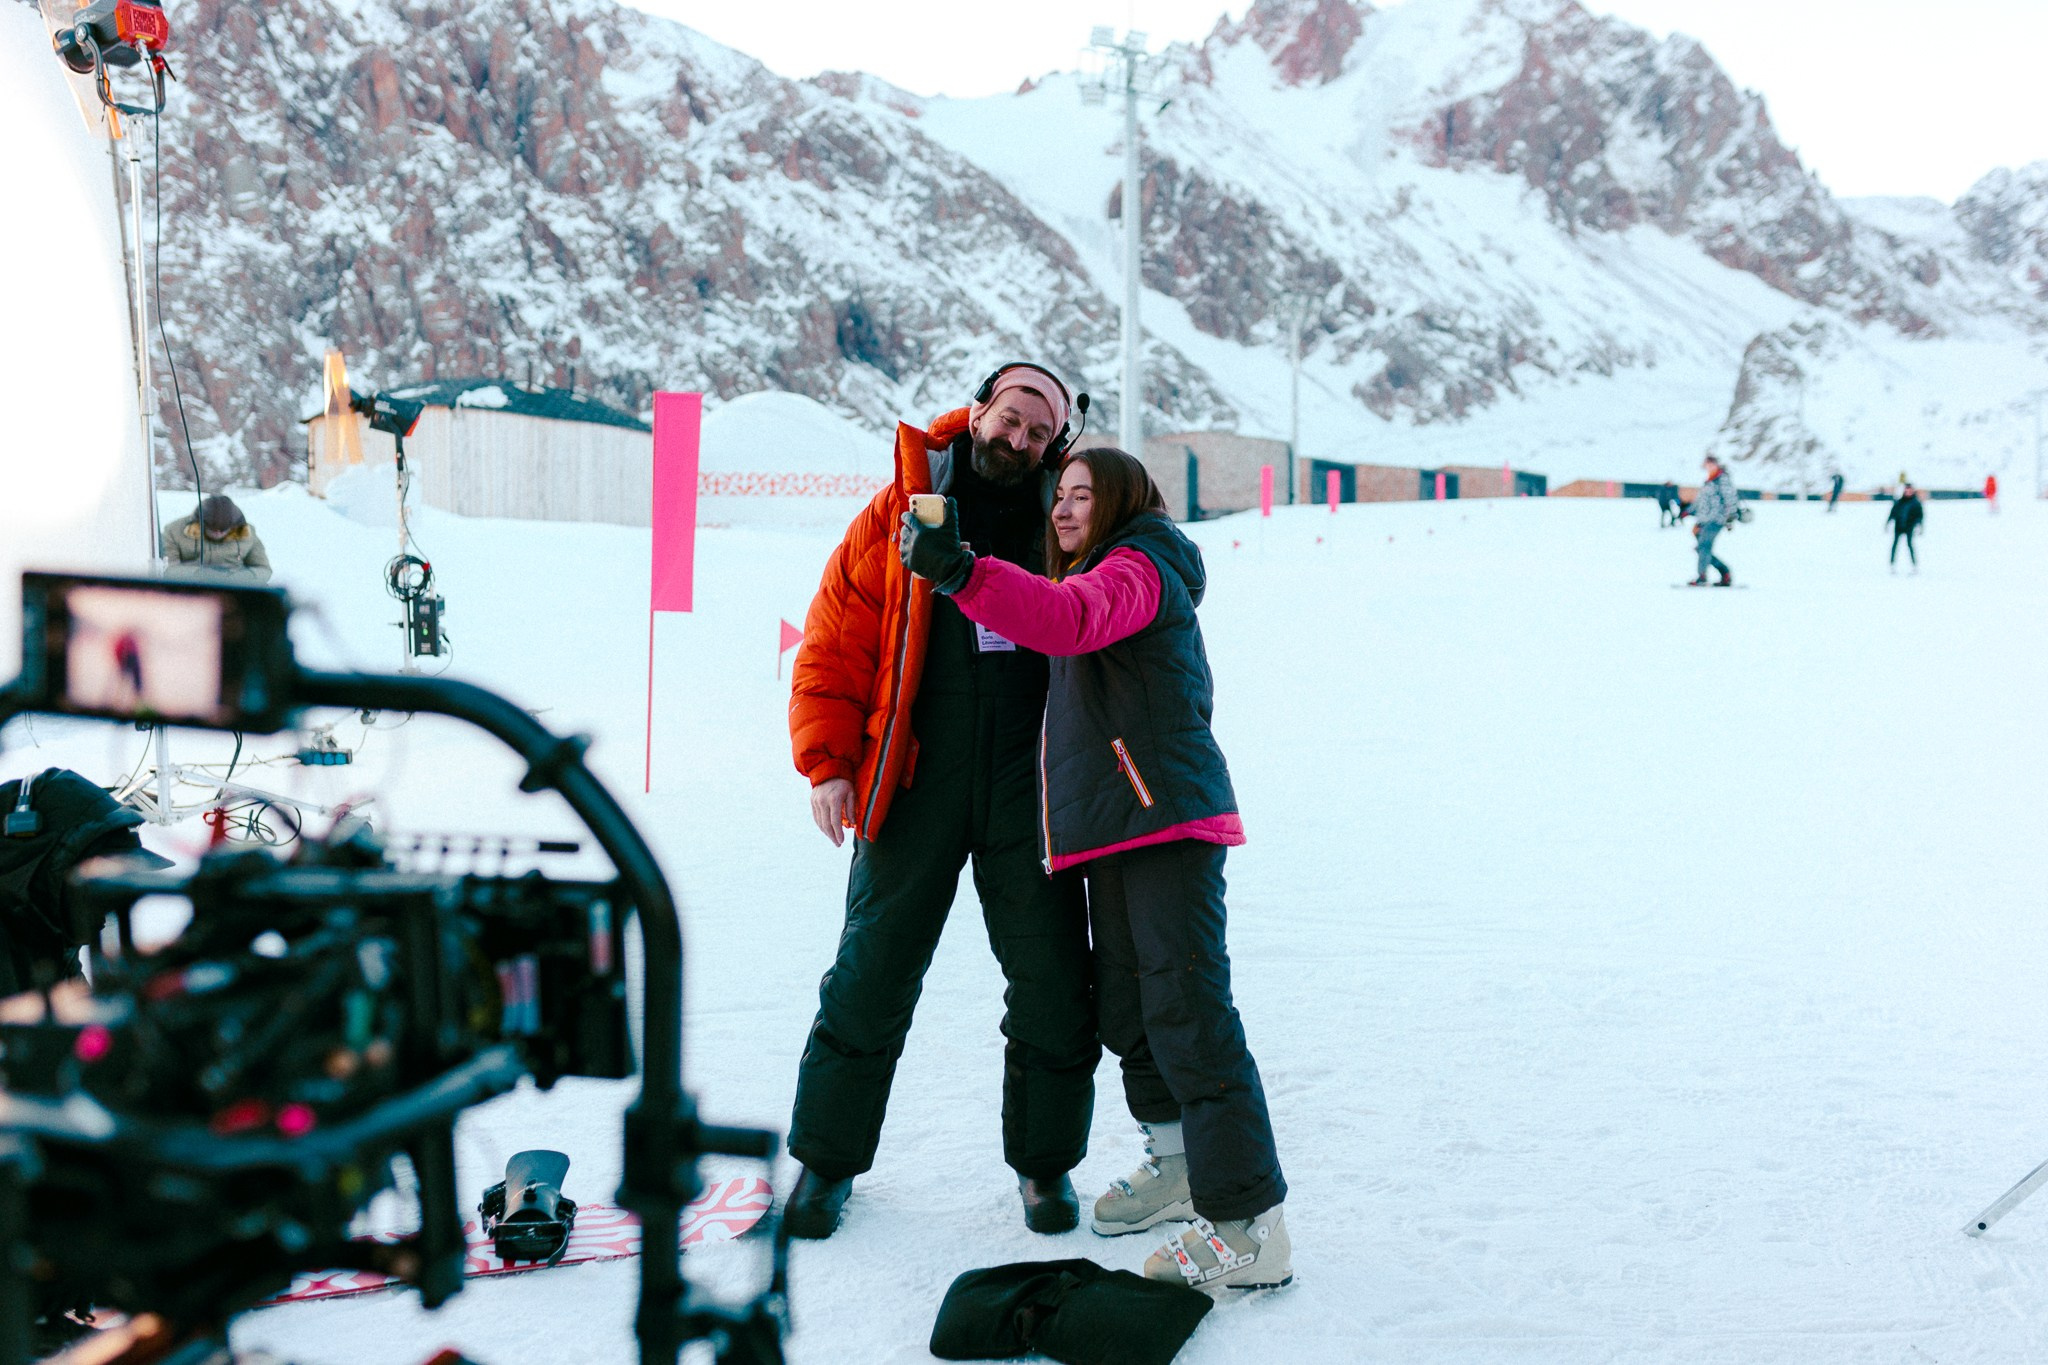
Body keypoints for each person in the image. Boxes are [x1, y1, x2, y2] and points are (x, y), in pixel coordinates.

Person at [899, 446, 1291, 1296]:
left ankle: (1248, 1223)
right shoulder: (1101, 565)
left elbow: (1072, 617)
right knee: (1130, 1008)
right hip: (1112, 828)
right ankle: (1179, 1164)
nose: (1065, 508)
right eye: (1061, 495)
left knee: (1188, 1007)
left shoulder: (1138, 564)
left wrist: (963, 571)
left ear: (1120, 503)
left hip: (1164, 821)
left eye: (1084, 495)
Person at [781, 363, 1100, 1240]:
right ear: (981, 408)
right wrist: (830, 763)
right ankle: (825, 1161)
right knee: (870, 975)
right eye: (1012, 418)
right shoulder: (902, 506)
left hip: (1026, 787)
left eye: (1041, 433)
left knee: (1052, 981)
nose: (1021, 439)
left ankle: (1044, 1167)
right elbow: (834, 638)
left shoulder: (1066, 524)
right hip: (913, 775)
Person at [0, 768, 171, 997]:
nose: (107, 913)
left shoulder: (46, 927)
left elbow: (82, 1028)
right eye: (96, 889)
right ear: (48, 870)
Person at [161, 494, 272, 583]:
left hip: (236, 588)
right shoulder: (174, 531)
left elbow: (264, 569)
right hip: (191, 588)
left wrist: (242, 577)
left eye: (223, 530)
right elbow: (167, 570)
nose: (218, 533)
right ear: (200, 523)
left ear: (233, 525)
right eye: (212, 529)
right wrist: (200, 574)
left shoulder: (247, 533)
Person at [1683, 455, 1737, 586]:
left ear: (1717, 464)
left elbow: (1731, 500)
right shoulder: (1709, 481)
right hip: (1704, 520)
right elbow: (1701, 502)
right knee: (1702, 549)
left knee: (1703, 547)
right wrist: (1688, 511)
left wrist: (1730, 518)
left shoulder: (1722, 480)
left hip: (1716, 519)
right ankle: (1725, 573)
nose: (1709, 466)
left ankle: (1702, 576)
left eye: (1712, 464)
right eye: (1707, 464)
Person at [1887, 483, 1925, 572]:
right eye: (1906, 490)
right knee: (1895, 545)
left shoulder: (1916, 503)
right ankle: (1892, 564)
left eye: (1910, 490)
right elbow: (1893, 512)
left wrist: (1919, 525)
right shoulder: (1900, 502)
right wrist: (1889, 522)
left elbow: (1919, 515)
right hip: (1899, 526)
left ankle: (1914, 565)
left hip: (1909, 526)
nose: (1908, 492)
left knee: (1910, 545)